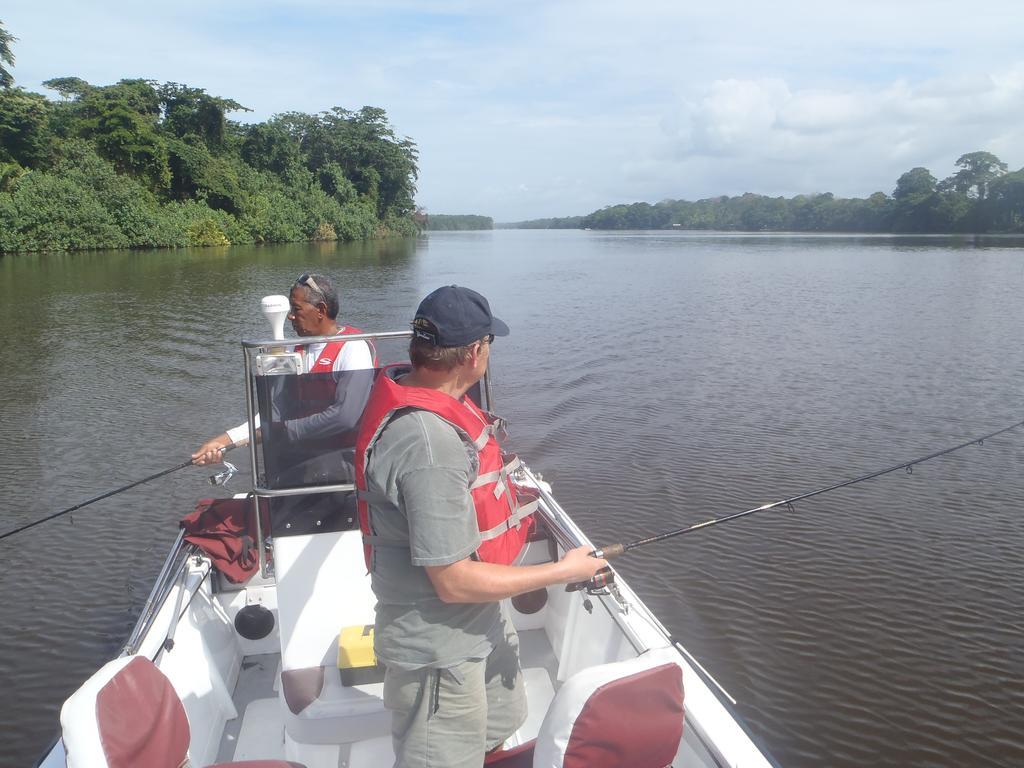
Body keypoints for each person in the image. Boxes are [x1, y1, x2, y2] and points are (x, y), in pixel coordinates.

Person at [354, 285, 608, 768]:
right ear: (474, 353)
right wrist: (561, 571)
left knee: (496, 730)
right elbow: (452, 582)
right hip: (439, 650)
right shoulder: (428, 445)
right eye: (489, 344)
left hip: (481, 622)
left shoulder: (428, 398)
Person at [192, 271, 375, 466]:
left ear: (321, 310)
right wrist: (224, 442)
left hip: (342, 465)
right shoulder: (290, 350)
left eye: (296, 309)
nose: (290, 316)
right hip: (299, 463)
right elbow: (273, 414)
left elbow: (345, 417)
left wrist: (284, 430)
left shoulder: (353, 349)